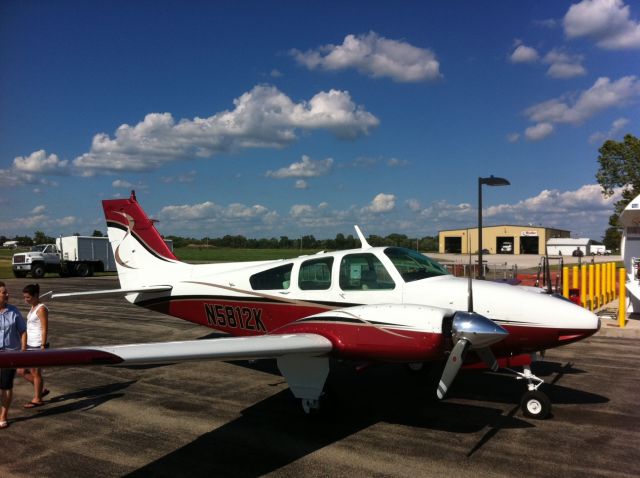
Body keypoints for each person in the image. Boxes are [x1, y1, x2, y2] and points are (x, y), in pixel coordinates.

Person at [0, 281, 27, 429]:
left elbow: (23, 331)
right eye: (4, 293)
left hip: (10, 355)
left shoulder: (14, 311)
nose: (7, 295)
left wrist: (22, 351)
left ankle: (3, 415)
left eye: (6, 292)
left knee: (5, 386)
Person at [19, 283, 49, 408]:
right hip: (30, 344)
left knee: (36, 372)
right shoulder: (33, 307)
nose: (26, 300)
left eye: (28, 297)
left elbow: (44, 328)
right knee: (21, 370)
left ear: (36, 295)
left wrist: (42, 345)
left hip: (38, 344)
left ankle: (37, 399)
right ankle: (41, 390)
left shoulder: (41, 308)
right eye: (25, 297)